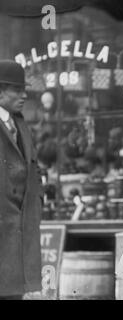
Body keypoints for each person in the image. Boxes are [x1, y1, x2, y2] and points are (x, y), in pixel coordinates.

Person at [0, 60, 43, 299]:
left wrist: (38, 201)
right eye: (17, 90)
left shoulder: (20, 124)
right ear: (0, 91)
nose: (24, 95)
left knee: (16, 292)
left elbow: (33, 168)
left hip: (22, 226)